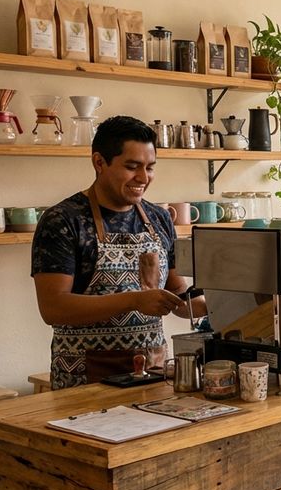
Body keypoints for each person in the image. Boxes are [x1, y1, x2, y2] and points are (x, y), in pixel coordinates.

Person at [31, 116, 205, 389]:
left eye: (150, 168)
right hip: (86, 380)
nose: (143, 178)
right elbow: (53, 308)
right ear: (99, 162)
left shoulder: (159, 218)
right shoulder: (64, 220)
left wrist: (227, 302)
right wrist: (133, 300)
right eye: (132, 167)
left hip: (154, 374)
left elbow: (179, 298)